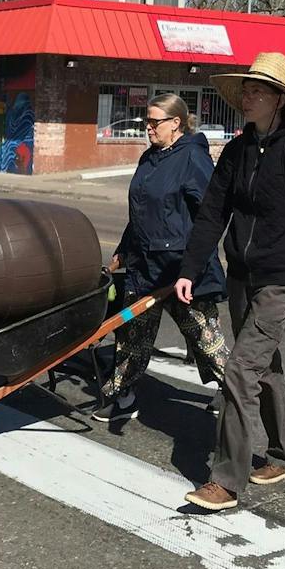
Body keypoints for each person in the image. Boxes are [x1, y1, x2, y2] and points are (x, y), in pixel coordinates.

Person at [174, 52, 285, 511]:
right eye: (245, 89)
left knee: (240, 370)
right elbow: (212, 213)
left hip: (282, 280)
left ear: (280, 100)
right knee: (263, 367)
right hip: (242, 276)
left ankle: (225, 481)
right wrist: (190, 267)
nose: (247, 97)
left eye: (257, 90)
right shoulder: (239, 149)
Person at [94, 95, 227, 422]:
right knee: (131, 336)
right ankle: (122, 395)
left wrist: (192, 265)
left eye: (155, 122)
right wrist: (122, 251)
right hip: (144, 267)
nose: (148, 128)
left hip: (181, 270)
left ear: (175, 123)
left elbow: (212, 216)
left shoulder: (193, 159)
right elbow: (140, 213)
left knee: (206, 340)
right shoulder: (149, 159)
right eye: (147, 121)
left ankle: (235, 391)